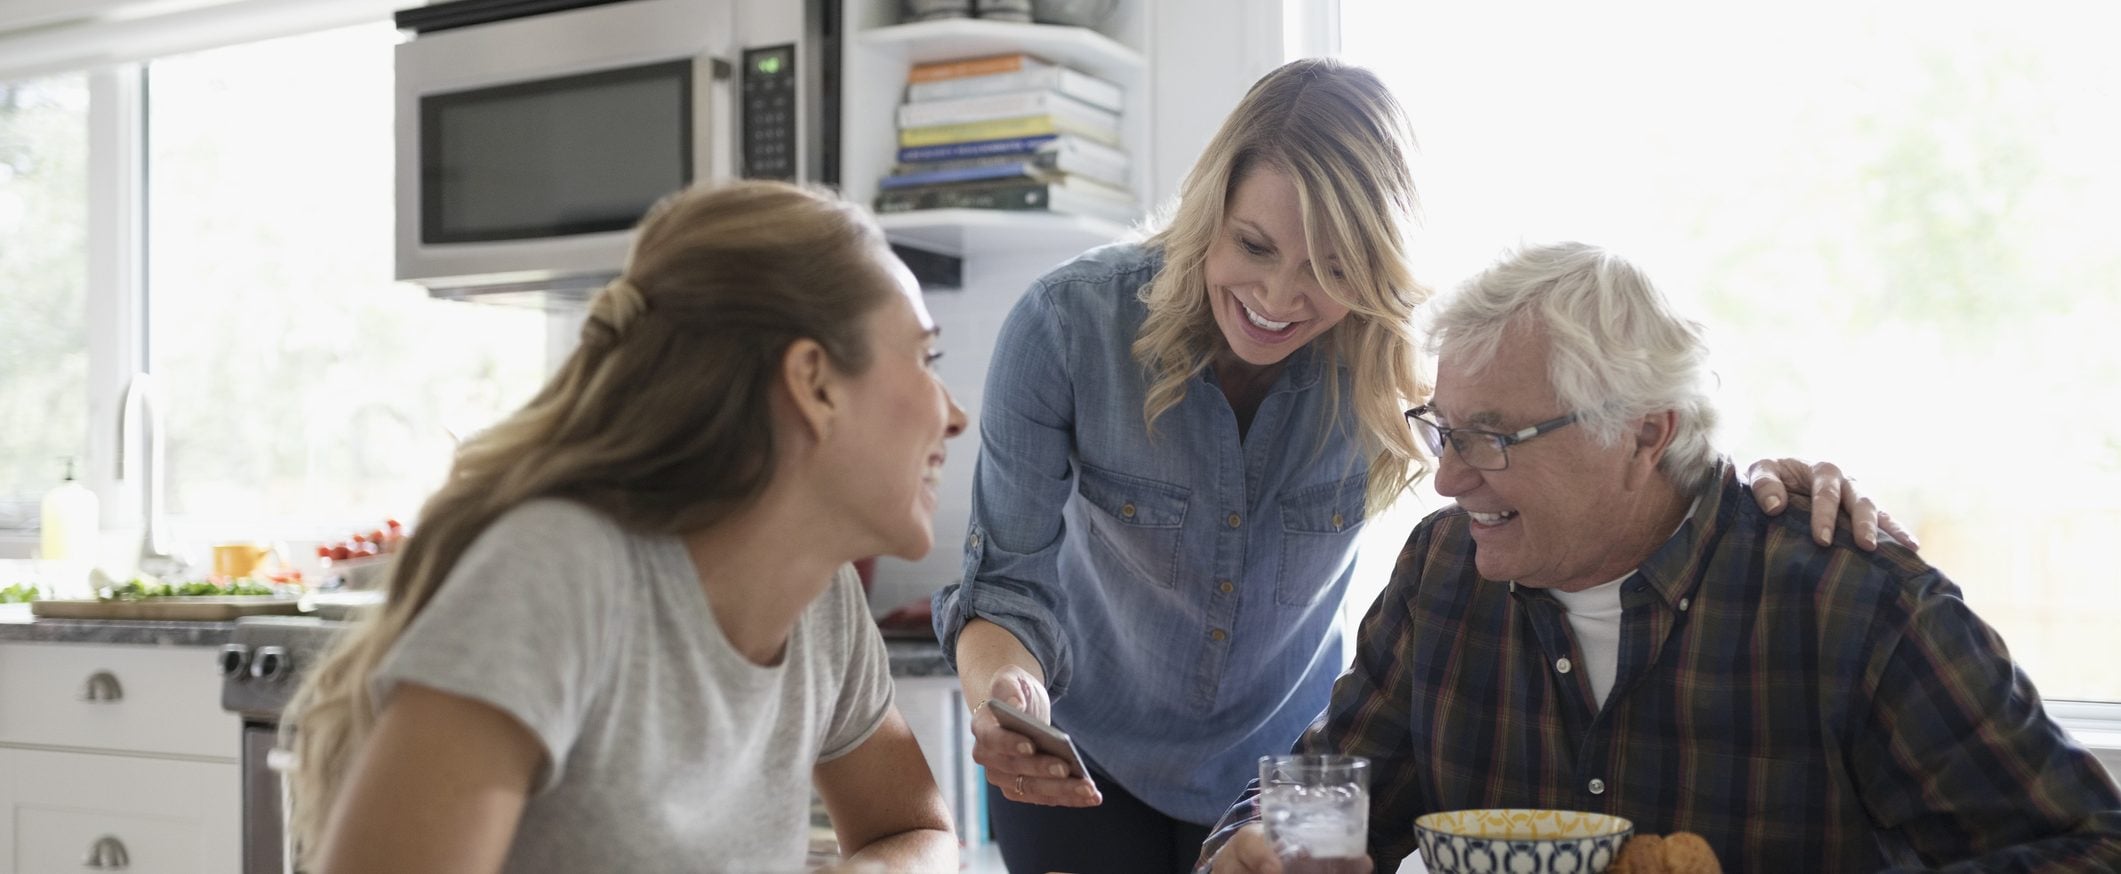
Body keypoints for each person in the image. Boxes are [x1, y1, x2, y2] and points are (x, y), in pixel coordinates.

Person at [932, 57, 1912, 874]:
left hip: (1290, 770)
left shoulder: (1405, 360)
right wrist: (1006, 700)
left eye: (1328, 267)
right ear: (1208, 209)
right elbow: (1005, 588)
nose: (1278, 296)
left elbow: (1596, 435)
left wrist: (1757, 491)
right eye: (1255, 245)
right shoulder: (1065, 330)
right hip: (1089, 763)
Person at [1202, 242, 2121, 873]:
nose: (1445, 480)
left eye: (1490, 438)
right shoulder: (1442, 575)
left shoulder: (1850, 606)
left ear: (1642, 434)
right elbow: (1322, 788)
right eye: (1443, 429)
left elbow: (2088, 846)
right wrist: (1243, 850)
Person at [284, 180, 964, 874]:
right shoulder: (558, 573)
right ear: (814, 384)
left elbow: (917, 832)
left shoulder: (823, 603)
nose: (956, 415)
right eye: (925, 358)